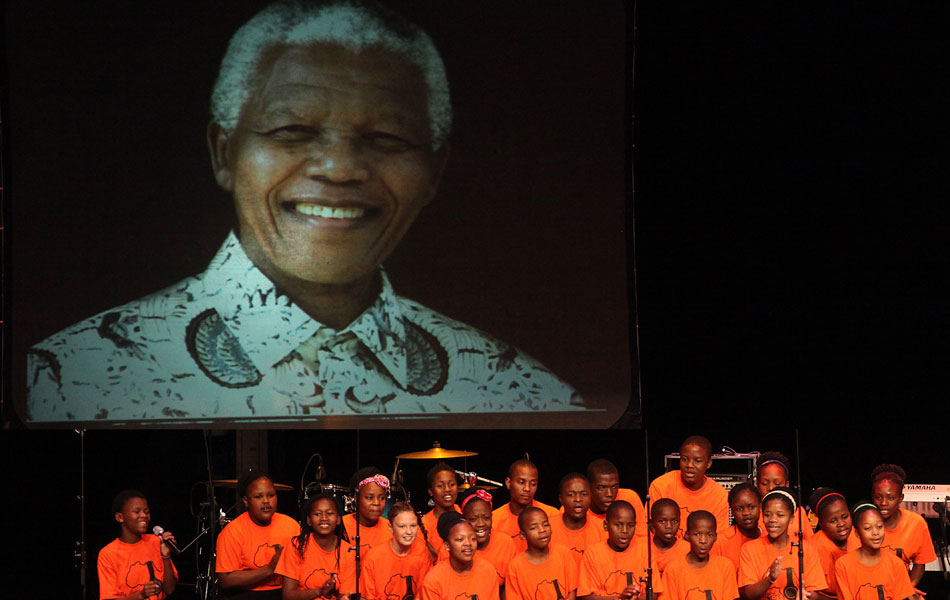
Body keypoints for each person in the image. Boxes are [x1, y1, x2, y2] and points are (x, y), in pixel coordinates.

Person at [25, 0, 583, 423]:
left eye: (387, 137)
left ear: (434, 173)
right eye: (292, 130)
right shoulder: (66, 383)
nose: (340, 168)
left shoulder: (524, 394)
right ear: (225, 153)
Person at [216, 470, 301, 598]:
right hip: (248, 594)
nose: (266, 501)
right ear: (246, 501)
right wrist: (269, 569)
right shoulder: (232, 532)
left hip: (285, 592)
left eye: (271, 495)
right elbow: (225, 580)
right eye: (258, 496)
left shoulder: (291, 525)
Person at [737, 487, 827, 600]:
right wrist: (770, 578)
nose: (772, 520)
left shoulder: (806, 549)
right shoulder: (749, 549)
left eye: (780, 515)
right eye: (768, 515)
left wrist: (807, 595)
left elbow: (814, 592)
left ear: (791, 519)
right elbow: (750, 594)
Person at [97, 490, 178, 600]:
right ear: (120, 517)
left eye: (147, 511)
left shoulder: (156, 541)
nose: (144, 515)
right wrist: (141, 594)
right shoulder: (108, 554)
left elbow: (169, 589)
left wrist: (166, 556)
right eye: (137, 511)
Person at [577, 500, 663, 600]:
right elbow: (585, 597)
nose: (624, 531)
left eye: (630, 525)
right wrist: (619, 598)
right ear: (606, 525)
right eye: (618, 525)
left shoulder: (644, 550)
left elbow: (653, 593)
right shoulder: (592, 553)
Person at [276, 493, 356, 599]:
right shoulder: (296, 546)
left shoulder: (348, 552)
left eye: (330, 513)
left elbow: (344, 594)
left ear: (338, 519)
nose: (324, 518)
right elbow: (288, 595)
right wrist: (319, 591)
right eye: (317, 514)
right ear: (309, 520)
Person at [834, 503, 919, 600]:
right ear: (857, 533)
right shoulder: (843, 565)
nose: (875, 532)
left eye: (879, 526)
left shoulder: (896, 564)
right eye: (868, 528)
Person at [648, 436, 728, 538]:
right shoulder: (660, 486)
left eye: (697, 461)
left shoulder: (719, 495)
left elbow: (718, 537)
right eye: (684, 459)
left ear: (708, 463)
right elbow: (650, 527)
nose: (689, 465)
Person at [870, 464, 936, 589]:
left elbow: (920, 563)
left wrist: (908, 589)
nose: (883, 503)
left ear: (901, 498)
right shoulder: (862, 522)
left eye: (890, 498)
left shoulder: (916, 523)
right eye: (878, 497)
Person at [440, 489, 517, 595]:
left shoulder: (506, 544)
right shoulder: (450, 549)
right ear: (464, 519)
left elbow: (509, 588)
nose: (481, 524)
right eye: (473, 519)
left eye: (486, 518)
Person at [420, 512, 500, 600]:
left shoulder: (488, 571)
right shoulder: (434, 580)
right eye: (460, 539)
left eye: (472, 538)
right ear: (447, 546)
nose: (468, 543)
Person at [363, 502, 432, 600]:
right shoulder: (373, 557)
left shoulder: (424, 554)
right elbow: (369, 596)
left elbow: (426, 594)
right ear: (391, 528)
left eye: (413, 525)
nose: (409, 532)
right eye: (402, 526)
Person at [663, 511, 738, 600]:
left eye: (709, 535)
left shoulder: (725, 566)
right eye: (697, 534)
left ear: (715, 537)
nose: (703, 540)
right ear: (687, 536)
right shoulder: (673, 570)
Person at [506, 507, 578, 600]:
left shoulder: (563, 553)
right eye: (534, 528)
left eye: (546, 525)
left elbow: (573, 590)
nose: (542, 530)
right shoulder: (515, 566)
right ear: (523, 535)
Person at [493, 459, 560, 552]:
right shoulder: (495, 520)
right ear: (508, 483)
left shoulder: (552, 515)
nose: (527, 488)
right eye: (521, 482)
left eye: (533, 484)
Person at [807, 487, 859, 598]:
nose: (841, 524)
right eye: (833, 521)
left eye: (845, 517)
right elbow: (811, 594)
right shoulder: (812, 547)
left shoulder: (860, 536)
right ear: (821, 524)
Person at [754, 451, 813, 541]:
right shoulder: (753, 513)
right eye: (764, 483)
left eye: (777, 483)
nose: (770, 488)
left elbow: (810, 544)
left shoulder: (799, 512)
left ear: (786, 485)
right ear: (757, 484)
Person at [585, 459, 647, 542]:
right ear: (588, 487)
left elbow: (643, 540)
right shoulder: (576, 509)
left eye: (614, 487)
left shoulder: (629, 499)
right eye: (602, 488)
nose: (609, 494)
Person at [551, 473, 604, 566]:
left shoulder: (602, 529)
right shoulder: (549, 528)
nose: (578, 499)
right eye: (571, 495)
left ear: (591, 496)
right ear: (561, 498)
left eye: (584, 494)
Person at [711, 481, 761, 570]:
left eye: (751, 507)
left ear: (760, 507)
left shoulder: (769, 536)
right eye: (739, 509)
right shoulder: (720, 541)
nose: (746, 513)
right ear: (732, 512)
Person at [342, 468, 394, 554]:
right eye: (370, 498)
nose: (376, 503)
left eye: (382, 498)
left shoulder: (391, 529)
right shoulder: (341, 526)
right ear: (356, 497)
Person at [421, 463, 459, 555]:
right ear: (431, 491)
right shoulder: (425, 525)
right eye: (440, 486)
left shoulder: (464, 513)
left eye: (451, 484)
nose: (447, 489)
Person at [648, 499, 689, 577]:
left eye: (674, 521)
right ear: (651, 524)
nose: (669, 526)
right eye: (662, 521)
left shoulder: (688, 550)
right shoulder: (641, 547)